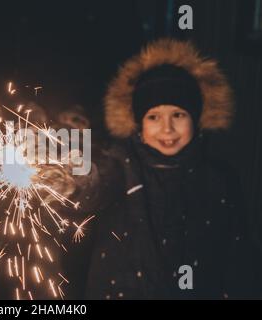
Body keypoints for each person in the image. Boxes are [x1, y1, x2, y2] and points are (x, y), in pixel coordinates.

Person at [75, 38, 260, 299]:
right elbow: (91, 186)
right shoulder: (119, 167)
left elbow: (239, 261)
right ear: (138, 124)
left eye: (178, 115)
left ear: (196, 119)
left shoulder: (219, 181)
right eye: (153, 117)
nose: (167, 128)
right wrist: (70, 182)